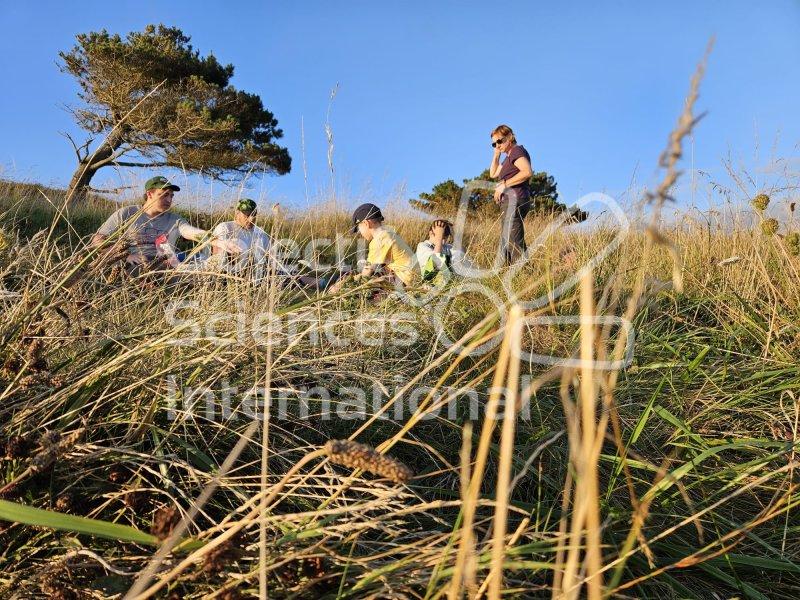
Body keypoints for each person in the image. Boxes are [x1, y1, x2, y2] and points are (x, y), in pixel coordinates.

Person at [91, 175, 239, 275]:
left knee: (205, 270)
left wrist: (217, 241)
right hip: (135, 265)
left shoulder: (174, 219)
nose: (169, 199)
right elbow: (97, 241)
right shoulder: (127, 213)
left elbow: (191, 232)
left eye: (171, 196)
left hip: (167, 266)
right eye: (164, 195)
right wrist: (125, 256)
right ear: (149, 194)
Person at [210, 198, 323, 288]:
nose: (251, 219)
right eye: (247, 215)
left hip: (255, 275)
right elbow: (216, 255)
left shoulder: (260, 234)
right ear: (237, 213)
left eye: (254, 215)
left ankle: (326, 284)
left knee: (291, 276)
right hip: (226, 273)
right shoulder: (225, 227)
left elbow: (268, 260)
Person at [329, 203, 416, 292]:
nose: (360, 234)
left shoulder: (379, 240)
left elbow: (367, 274)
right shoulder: (389, 235)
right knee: (377, 269)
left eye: (359, 229)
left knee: (369, 281)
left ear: (366, 223)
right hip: (410, 279)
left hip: (404, 283)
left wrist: (345, 284)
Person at [489, 125, 533, 265]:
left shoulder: (516, 151)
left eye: (500, 141)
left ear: (510, 137)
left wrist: (504, 185)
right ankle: (509, 275)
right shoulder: (507, 158)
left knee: (514, 242)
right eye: (494, 143)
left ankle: (526, 276)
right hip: (508, 203)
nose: (497, 145)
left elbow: (527, 172)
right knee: (507, 242)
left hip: (515, 200)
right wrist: (496, 154)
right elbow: (493, 173)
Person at [415, 219, 466, 284]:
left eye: (445, 238)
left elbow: (462, 254)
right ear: (431, 233)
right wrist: (439, 236)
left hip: (446, 281)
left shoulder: (445, 246)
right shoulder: (423, 246)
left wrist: (454, 234)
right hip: (429, 282)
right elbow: (436, 260)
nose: (443, 241)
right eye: (442, 237)